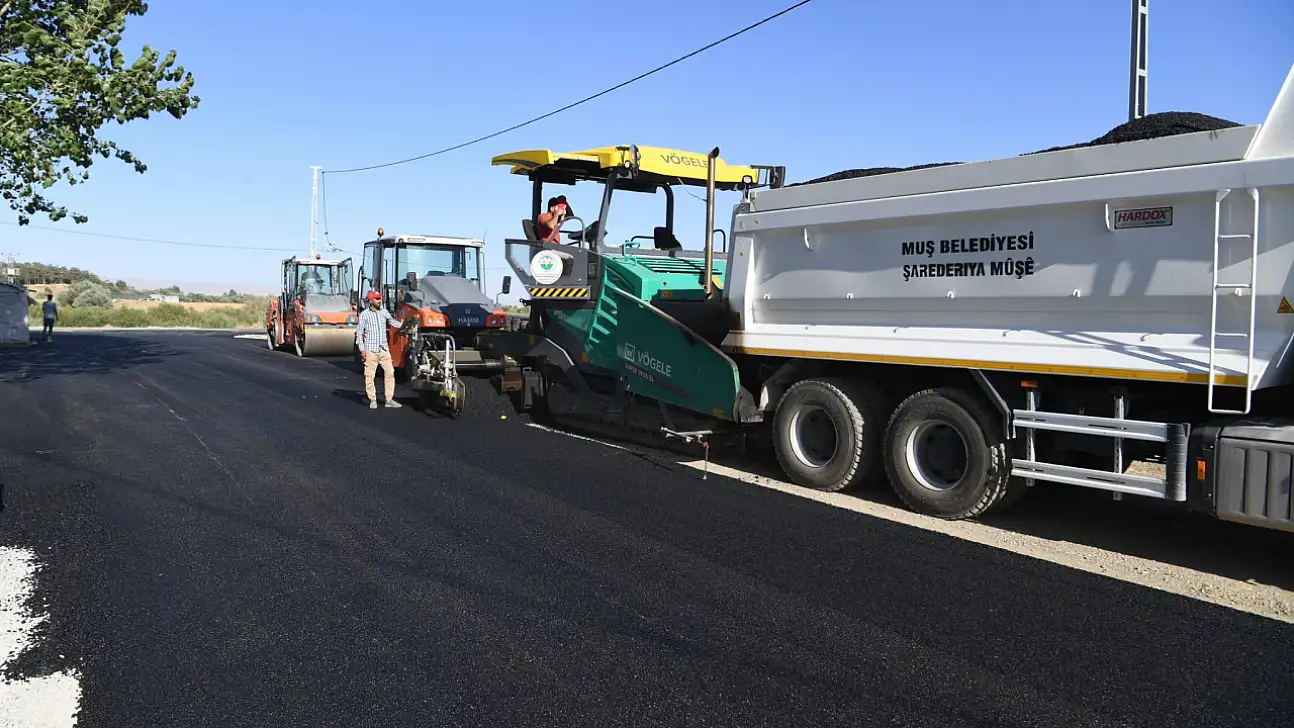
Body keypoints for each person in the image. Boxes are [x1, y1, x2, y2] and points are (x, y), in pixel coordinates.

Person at [354, 290, 405, 410]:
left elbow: (392, 322)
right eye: (377, 299)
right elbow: (359, 333)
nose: (379, 300)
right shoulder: (365, 314)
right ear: (370, 300)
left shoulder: (384, 312)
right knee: (370, 375)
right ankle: (372, 399)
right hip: (371, 350)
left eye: (380, 298)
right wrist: (362, 349)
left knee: (390, 372)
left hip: (383, 349)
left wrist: (403, 325)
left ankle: (389, 399)